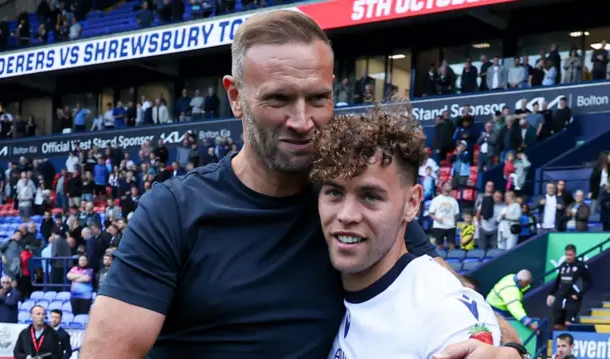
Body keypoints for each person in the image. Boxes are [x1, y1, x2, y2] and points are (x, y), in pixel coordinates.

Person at [82, 10, 524, 359]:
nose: (302, 121)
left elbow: (448, 294)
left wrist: (510, 349)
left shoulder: (351, 207)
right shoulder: (174, 211)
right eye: (278, 98)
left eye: (318, 98)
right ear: (235, 96)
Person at [311, 103, 501, 358]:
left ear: (412, 203)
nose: (346, 215)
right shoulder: (319, 283)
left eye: (370, 197)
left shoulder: (441, 310)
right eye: (334, 192)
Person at [547, 244, 593, 330]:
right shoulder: (563, 266)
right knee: (557, 324)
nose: (568, 257)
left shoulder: (580, 266)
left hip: (573, 299)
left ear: (575, 254)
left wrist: (579, 294)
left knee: (568, 323)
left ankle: (568, 341)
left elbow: (589, 282)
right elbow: (558, 281)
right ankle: (560, 341)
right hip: (561, 297)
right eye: (566, 255)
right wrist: (551, 294)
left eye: (570, 255)